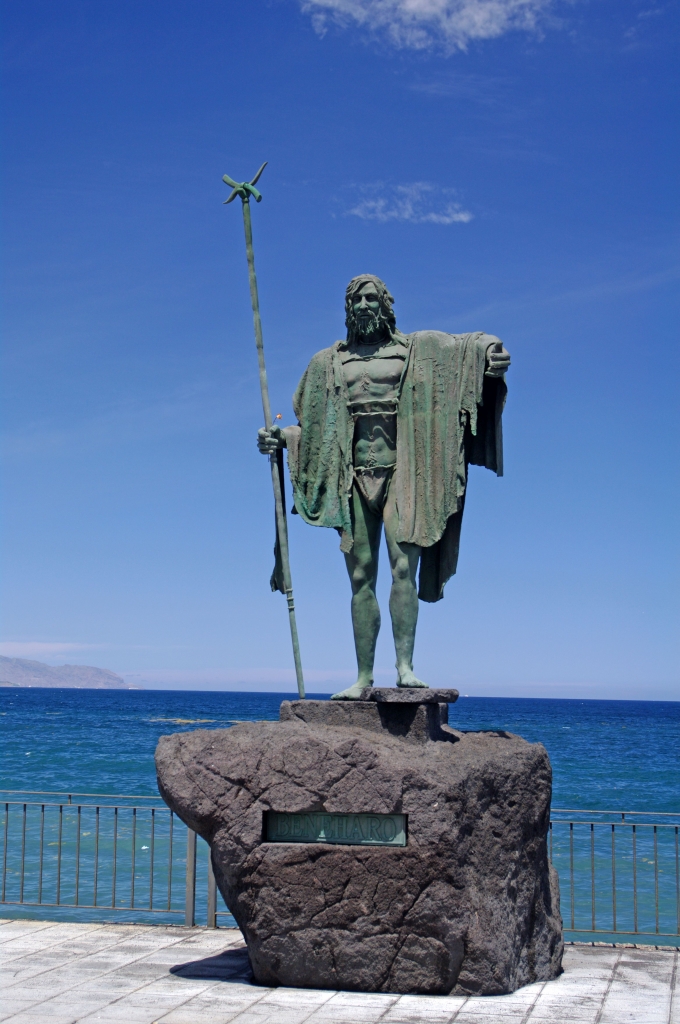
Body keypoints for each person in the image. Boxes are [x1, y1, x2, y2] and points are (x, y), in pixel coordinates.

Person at [258, 275, 510, 699]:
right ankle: (363, 677)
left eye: (371, 298)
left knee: (401, 570)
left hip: (402, 475)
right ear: (347, 309)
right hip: (352, 476)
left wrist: (491, 352)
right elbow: (313, 428)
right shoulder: (328, 362)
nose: (363, 305)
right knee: (360, 576)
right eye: (356, 300)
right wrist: (281, 438)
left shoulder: (414, 349)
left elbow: (468, 347)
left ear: (385, 305)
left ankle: (405, 668)